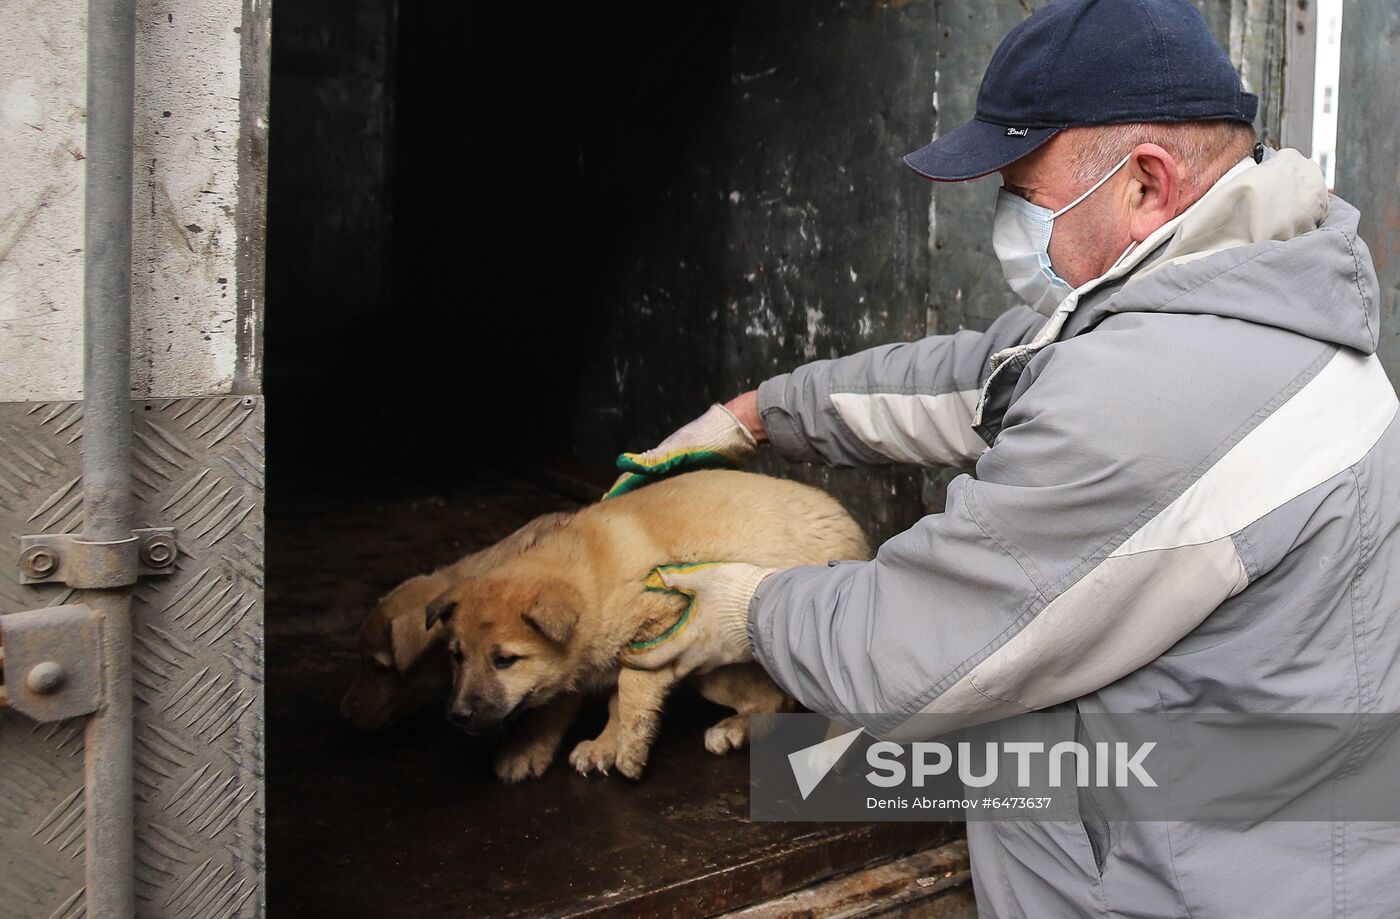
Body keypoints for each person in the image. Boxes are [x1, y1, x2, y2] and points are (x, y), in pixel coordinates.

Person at [609, 0, 1400, 916]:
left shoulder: (1157, 399)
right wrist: (758, 414)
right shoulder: (1261, 293)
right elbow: (992, 374)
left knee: (865, 752)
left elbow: (911, 653)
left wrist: (747, 608)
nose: (1008, 227)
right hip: (1279, 821)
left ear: (1146, 182)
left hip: (1194, 885)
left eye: (1025, 196)